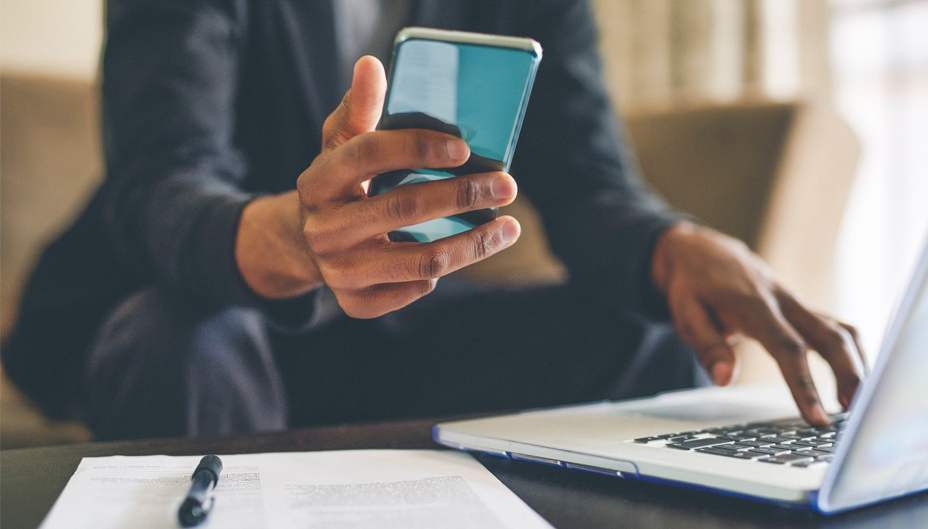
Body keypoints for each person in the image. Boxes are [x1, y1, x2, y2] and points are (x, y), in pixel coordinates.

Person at [2, 0, 866, 441]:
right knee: (181, 339)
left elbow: (588, 179)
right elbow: (162, 178)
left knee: (647, 335)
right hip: (204, 304)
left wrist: (675, 245)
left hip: (389, 335)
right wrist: (301, 240)